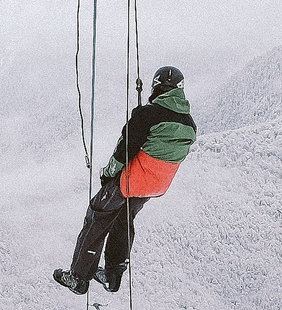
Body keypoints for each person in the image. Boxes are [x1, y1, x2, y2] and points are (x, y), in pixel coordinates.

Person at [54, 66, 193, 296]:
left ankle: (78, 277)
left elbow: (123, 151)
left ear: (156, 87)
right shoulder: (189, 125)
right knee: (124, 217)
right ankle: (112, 275)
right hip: (156, 186)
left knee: (98, 214)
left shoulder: (147, 114)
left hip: (132, 180)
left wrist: (108, 174)